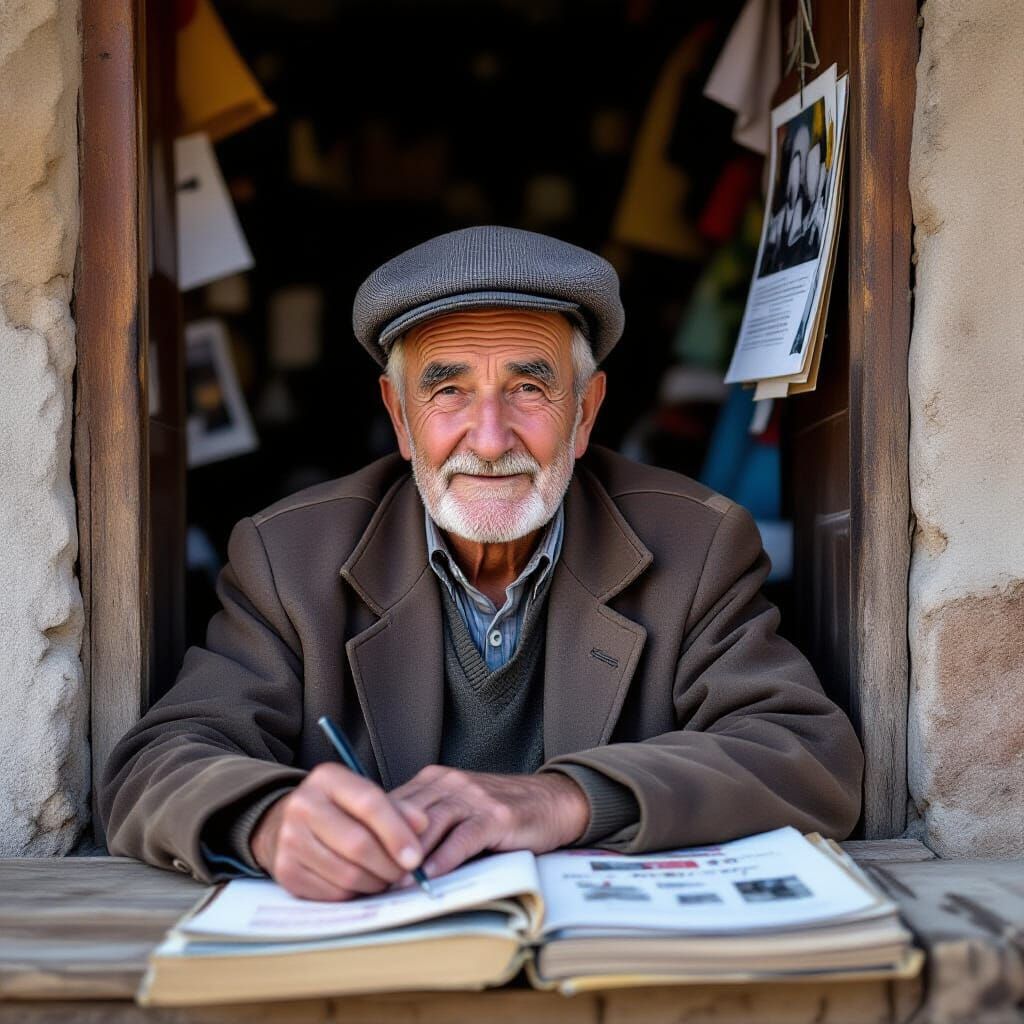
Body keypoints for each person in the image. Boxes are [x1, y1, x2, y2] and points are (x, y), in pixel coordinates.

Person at [100, 226, 863, 900]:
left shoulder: (695, 545)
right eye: (449, 392)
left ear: (585, 413)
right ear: (400, 418)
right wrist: (266, 821)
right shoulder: (288, 558)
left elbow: (807, 755)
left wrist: (564, 799)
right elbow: (156, 763)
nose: (491, 439)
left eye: (529, 388)